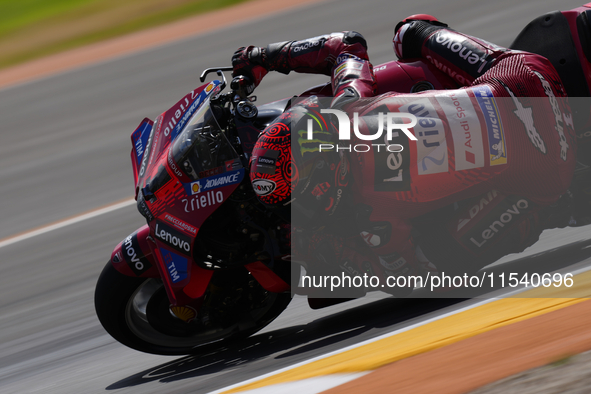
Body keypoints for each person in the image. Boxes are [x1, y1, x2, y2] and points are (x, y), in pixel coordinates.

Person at [232, 10, 584, 295]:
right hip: (525, 77)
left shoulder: (371, 216)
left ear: (328, 180)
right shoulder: (350, 102)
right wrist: (263, 57)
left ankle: (559, 207)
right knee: (410, 30)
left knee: (439, 261)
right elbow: (347, 45)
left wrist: (322, 246)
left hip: (549, 169)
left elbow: (405, 279)